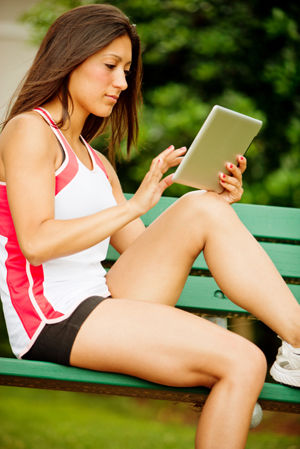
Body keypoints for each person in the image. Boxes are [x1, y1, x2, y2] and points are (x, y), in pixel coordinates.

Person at [0, 4, 299, 449]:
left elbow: (143, 251)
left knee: (202, 206)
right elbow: (37, 242)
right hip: (53, 317)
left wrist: (214, 207)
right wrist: (136, 204)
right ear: (70, 59)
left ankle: (296, 345)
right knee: (244, 359)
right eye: (110, 66)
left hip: (103, 302)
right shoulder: (29, 131)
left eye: (126, 70)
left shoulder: (97, 161)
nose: (121, 83)